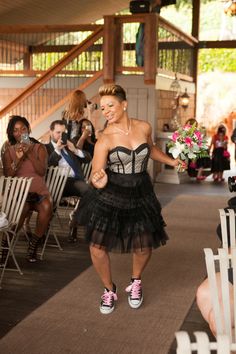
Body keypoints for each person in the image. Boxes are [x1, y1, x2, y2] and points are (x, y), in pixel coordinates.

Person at [74, 84, 185, 315]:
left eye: (110, 105)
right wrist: (98, 179)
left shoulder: (143, 127)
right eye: (103, 108)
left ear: (124, 104)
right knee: (97, 247)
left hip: (141, 191)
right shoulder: (104, 138)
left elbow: (151, 149)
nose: (106, 111)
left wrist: (172, 161)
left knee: (144, 243)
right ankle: (108, 289)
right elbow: (96, 173)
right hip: (112, 193)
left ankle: (136, 282)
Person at [2, 115, 53, 262]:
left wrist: (29, 152)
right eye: (16, 130)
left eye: (23, 129)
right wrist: (18, 159)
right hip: (20, 194)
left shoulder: (39, 148)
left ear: (29, 130)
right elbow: (8, 174)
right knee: (21, 211)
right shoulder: (8, 151)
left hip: (38, 192)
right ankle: (5, 247)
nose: (20, 133)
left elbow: (41, 172)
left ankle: (34, 245)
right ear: (12, 133)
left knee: (47, 206)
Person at [45, 119, 92, 242]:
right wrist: (57, 150)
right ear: (51, 132)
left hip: (73, 181)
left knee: (90, 192)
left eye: (63, 133)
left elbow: (87, 158)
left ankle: (74, 220)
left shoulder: (70, 146)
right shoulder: (45, 148)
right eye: (58, 132)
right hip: (55, 183)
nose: (61, 136)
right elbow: (46, 165)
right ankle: (45, 228)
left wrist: (75, 150)